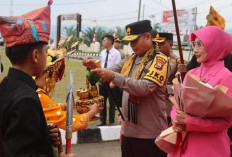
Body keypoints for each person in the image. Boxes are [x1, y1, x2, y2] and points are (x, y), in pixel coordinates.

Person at [83, 20, 168, 157]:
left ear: (147, 37)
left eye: (135, 40)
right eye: (130, 41)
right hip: (129, 132)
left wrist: (113, 77)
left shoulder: (159, 60)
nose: (132, 45)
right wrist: (93, 66)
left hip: (150, 135)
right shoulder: (130, 60)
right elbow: (107, 72)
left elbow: (144, 88)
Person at [0, 2, 74, 157]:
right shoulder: (26, 98)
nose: (46, 56)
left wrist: (44, 135)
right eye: (45, 51)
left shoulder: (5, 86)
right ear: (35, 55)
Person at [169, 26, 232, 157]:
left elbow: (226, 121)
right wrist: (176, 118)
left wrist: (189, 122)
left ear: (215, 46)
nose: (195, 50)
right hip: (183, 145)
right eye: (194, 44)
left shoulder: (226, 77)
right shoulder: (191, 73)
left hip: (209, 149)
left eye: (200, 45)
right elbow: (178, 104)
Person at [35, 52, 102, 132]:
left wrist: (69, 105)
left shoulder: (31, 90)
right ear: (46, 76)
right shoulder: (40, 96)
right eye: (54, 79)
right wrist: (92, 112)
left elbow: (49, 109)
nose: (54, 83)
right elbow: (69, 123)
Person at [154, 33, 181, 125]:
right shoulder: (154, 57)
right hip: (155, 94)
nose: (159, 46)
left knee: (167, 121)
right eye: (157, 44)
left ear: (170, 44)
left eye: (162, 44)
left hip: (168, 96)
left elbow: (180, 80)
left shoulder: (177, 60)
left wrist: (181, 72)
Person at [97, 35, 121, 126]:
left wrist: (113, 81)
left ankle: (111, 121)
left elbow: (117, 68)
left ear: (110, 42)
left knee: (112, 102)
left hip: (111, 80)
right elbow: (101, 65)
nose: (103, 42)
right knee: (102, 101)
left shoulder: (116, 53)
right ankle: (102, 120)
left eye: (105, 40)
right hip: (102, 80)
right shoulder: (102, 52)